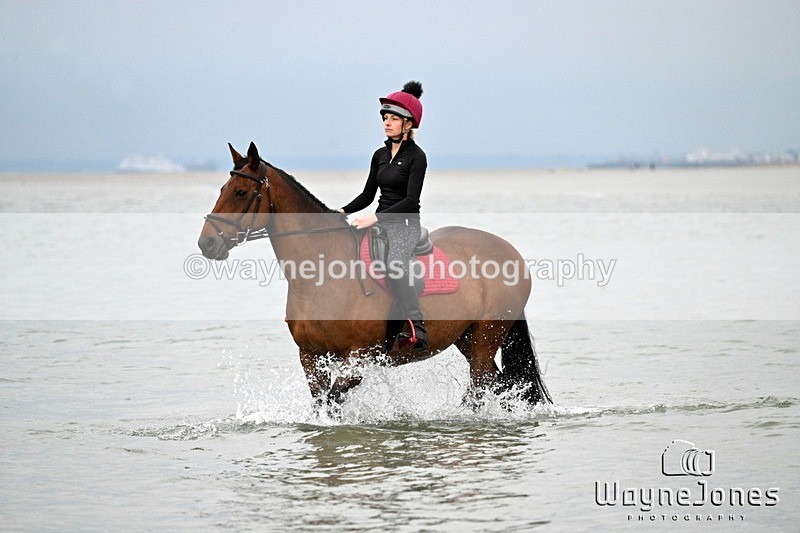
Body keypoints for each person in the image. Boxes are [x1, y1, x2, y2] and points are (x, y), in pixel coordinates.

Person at [339, 81, 428, 351]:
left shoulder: (417, 157)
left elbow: (411, 200)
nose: (387, 123)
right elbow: (367, 195)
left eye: (393, 119)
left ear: (408, 124)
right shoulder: (379, 155)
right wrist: (339, 212)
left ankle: (418, 326)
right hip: (380, 224)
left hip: (405, 225)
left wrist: (374, 219)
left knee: (394, 265)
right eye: (385, 118)